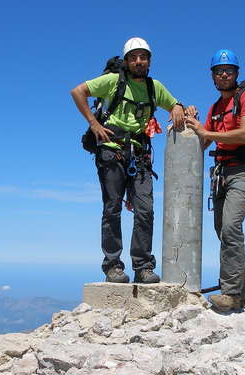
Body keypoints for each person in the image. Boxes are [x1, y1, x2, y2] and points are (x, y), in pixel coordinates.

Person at [71, 37, 186, 284]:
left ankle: (143, 266)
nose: (138, 61)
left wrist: (178, 106)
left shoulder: (155, 87)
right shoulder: (113, 82)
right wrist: (94, 124)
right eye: (133, 57)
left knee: (145, 210)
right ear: (126, 61)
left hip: (140, 155)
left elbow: (174, 104)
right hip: (112, 151)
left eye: (143, 57)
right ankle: (113, 265)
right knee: (112, 208)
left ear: (149, 60)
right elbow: (78, 92)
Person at [185, 49, 245, 311]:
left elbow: (244, 134)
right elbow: (205, 140)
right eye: (219, 71)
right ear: (213, 77)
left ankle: (231, 293)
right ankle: (242, 295)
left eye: (228, 70)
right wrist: (192, 122)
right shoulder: (216, 108)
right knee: (224, 231)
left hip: (244, 172)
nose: (224, 74)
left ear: (236, 74)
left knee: (230, 228)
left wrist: (207, 131)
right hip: (221, 173)